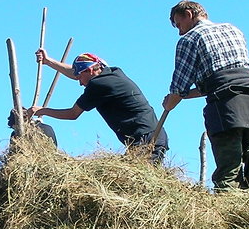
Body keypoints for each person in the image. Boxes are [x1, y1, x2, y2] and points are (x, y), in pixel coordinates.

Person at [162, 0, 249, 190]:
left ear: (189, 14)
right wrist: (185, 95)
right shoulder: (233, 29)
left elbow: (179, 87)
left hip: (225, 104)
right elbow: (220, 76)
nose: (180, 31)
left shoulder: (189, 39)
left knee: (228, 168)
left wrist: (170, 103)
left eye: (179, 24)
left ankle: (229, 209)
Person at [27, 50, 168, 162]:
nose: (80, 83)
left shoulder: (99, 85)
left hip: (147, 139)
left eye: (80, 78)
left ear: (90, 71)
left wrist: (42, 110)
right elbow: (75, 72)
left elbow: (72, 114)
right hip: (149, 136)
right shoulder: (111, 73)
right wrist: (49, 61)